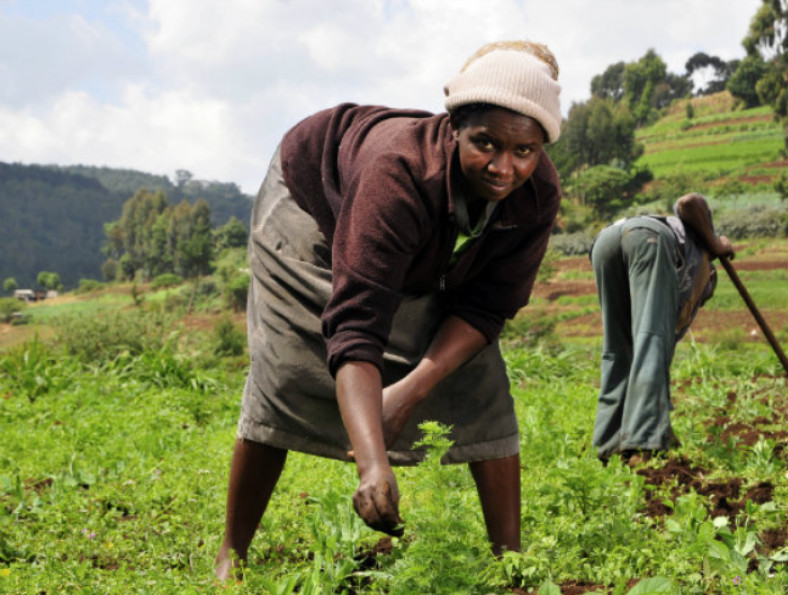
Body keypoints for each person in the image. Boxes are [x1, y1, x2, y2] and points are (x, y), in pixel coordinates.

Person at [215, 40, 563, 580]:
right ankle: (230, 556)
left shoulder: (535, 192)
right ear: (455, 128)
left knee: (480, 375)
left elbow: (488, 306)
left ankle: (511, 567)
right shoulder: (398, 173)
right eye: (485, 143)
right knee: (288, 369)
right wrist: (373, 465)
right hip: (309, 205)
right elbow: (357, 321)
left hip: (404, 237)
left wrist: (407, 391)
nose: (504, 167)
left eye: (525, 150)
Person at [589, 193, 734, 464]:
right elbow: (688, 202)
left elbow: (649, 364)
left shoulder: (680, 265)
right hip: (647, 239)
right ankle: (643, 446)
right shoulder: (701, 258)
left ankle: (610, 444)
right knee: (651, 341)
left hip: (605, 242)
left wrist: (665, 429)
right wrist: (716, 242)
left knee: (619, 350)